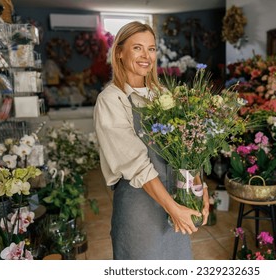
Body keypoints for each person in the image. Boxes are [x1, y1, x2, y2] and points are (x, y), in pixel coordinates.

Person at [93, 21, 209, 260]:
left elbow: (187, 148)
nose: (146, 56)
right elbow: (136, 164)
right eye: (137, 48)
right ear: (120, 53)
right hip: (139, 208)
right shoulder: (112, 100)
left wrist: (199, 188)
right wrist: (173, 208)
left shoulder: (163, 95)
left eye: (152, 48)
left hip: (176, 198)